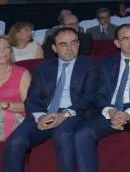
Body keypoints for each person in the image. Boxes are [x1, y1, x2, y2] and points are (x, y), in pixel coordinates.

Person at [3, 27, 98, 172]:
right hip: (44, 112)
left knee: (62, 133)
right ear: (54, 48)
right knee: (15, 141)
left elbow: (89, 96)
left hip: (75, 112)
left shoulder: (91, 66)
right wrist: (41, 116)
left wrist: (64, 115)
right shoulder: (43, 68)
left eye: (74, 43)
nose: (70, 48)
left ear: (78, 44)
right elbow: (32, 98)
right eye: (63, 44)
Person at [75, 24, 130, 172]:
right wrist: (111, 112)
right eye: (126, 38)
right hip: (111, 110)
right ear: (117, 43)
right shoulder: (106, 63)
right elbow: (99, 94)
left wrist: (127, 114)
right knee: (83, 133)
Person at [0, 35, 32, 140]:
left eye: (6, 47)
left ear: (11, 51)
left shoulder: (22, 73)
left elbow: (29, 105)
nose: (3, 51)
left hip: (15, 117)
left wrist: (5, 105)